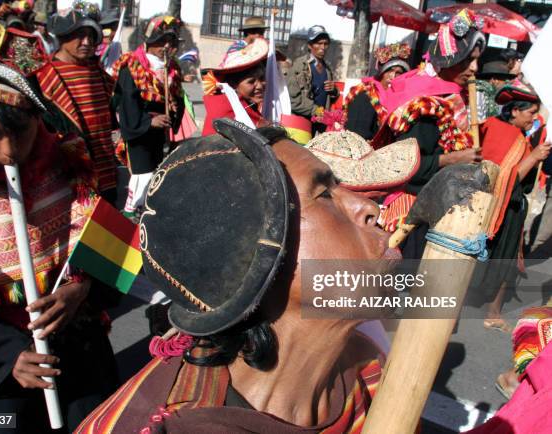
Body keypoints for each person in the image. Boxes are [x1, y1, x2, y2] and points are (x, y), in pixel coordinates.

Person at [76, 119, 398, 433]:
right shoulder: (158, 426)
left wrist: (449, 237)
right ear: (255, 254)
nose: (368, 207)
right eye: (324, 194)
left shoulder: (367, 370)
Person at [0, 60, 119, 433]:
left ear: (38, 117)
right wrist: (6, 358)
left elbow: (111, 244)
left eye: (21, 130)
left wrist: (81, 287)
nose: (10, 150)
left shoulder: (69, 162)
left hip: (76, 353)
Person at [375, 9, 485, 259]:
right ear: (449, 59)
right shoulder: (424, 104)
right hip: (411, 217)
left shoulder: (454, 98)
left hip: (434, 209)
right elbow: (404, 166)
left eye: (477, 59)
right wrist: (452, 160)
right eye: (468, 59)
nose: (474, 68)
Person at [475, 80, 551, 331]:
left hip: (511, 207)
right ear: (515, 110)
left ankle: (488, 307)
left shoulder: (518, 136)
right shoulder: (499, 131)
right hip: (500, 209)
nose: (534, 118)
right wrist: (534, 157)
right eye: (530, 113)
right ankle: (493, 312)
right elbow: (504, 179)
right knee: (503, 258)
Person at [34, 1, 118, 205]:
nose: (87, 42)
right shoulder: (45, 78)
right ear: (62, 37)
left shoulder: (99, 74)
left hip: (106, 169)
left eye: (91, 36)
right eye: (79, 35)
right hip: (69, 174)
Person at [112, 14, 185, 219]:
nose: (166, 47)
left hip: (160, 131)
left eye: (170, 42)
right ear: (150, 42)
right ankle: (129, 210)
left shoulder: (173, 69)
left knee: (155, 170)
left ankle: (146, 207)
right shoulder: (132, 67)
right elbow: (128, 102)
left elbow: (177, 97)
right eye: (161, 41)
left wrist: (174, 106)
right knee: (142, 173)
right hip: (140, 130)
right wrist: (148, 121)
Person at [201, 38, 270, 136]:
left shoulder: (247, 105)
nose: (259, 86)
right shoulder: (224, 111)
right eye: (251, 82)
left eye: (262, 78)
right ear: (233, 84)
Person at [344, 43, 411, 141]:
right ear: (381, 73)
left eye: (399, 73)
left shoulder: (400, 99)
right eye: (389, 71)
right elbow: (357, 135)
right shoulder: (365, 94)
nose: (393, 76)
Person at [287, 25, 338, 135]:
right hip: (302, 126)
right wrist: (317, 111)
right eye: (318, 43)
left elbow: (329, 98)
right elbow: (294, 101)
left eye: (325, 43)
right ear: (310, 45)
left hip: (321, 126)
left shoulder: (327, 68)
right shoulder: (299, 66)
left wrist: (334, 91)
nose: (322, 47)